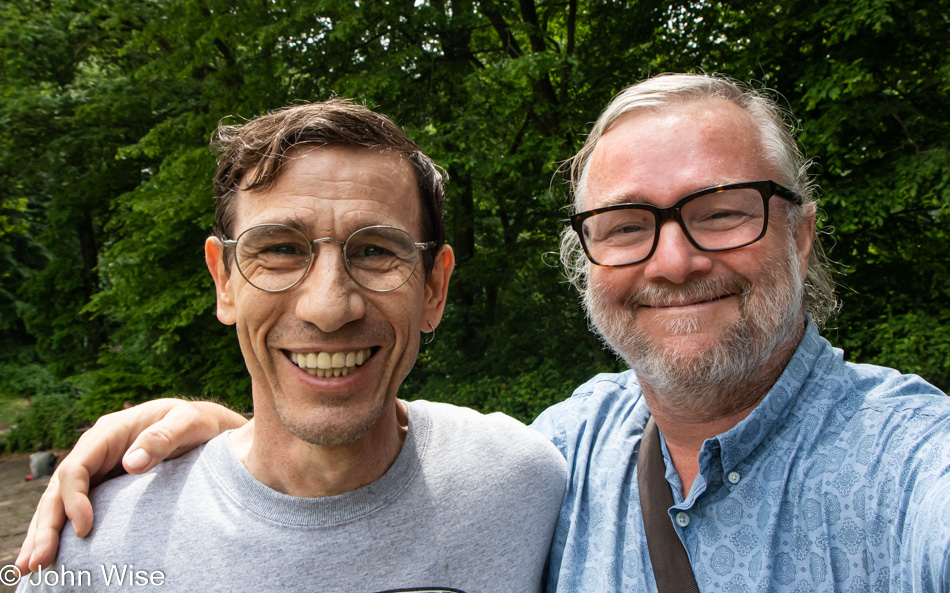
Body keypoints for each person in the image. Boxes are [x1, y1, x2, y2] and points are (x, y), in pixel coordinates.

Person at [18, 74, 950, 591]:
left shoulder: (902, 464)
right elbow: (333, 452)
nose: (672, 261)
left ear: (801, 230)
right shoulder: (567, 454)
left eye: (721, 210)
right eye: (627, 223)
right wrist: (232, 432)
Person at [14, 100, 566, 592]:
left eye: (375, 251)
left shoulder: (523, 481)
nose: (328, 308)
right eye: (279, 249)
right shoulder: (94, 546)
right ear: (223, 280)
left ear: (434, 289)